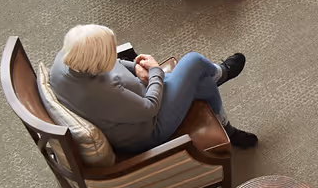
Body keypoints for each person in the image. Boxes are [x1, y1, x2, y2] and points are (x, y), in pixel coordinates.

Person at [48, 24, 259, 152]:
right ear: (97, 63)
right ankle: (220, 73)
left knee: (201, 80)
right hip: (149, 128)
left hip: (133, 103)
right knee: (194, 62)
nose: (115, 53)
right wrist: (156, 72)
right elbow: (149, 108)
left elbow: (115, 64)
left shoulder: (65, 60)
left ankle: (227, 129)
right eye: (110, 51)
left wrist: (135, 67)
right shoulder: (101, 93)